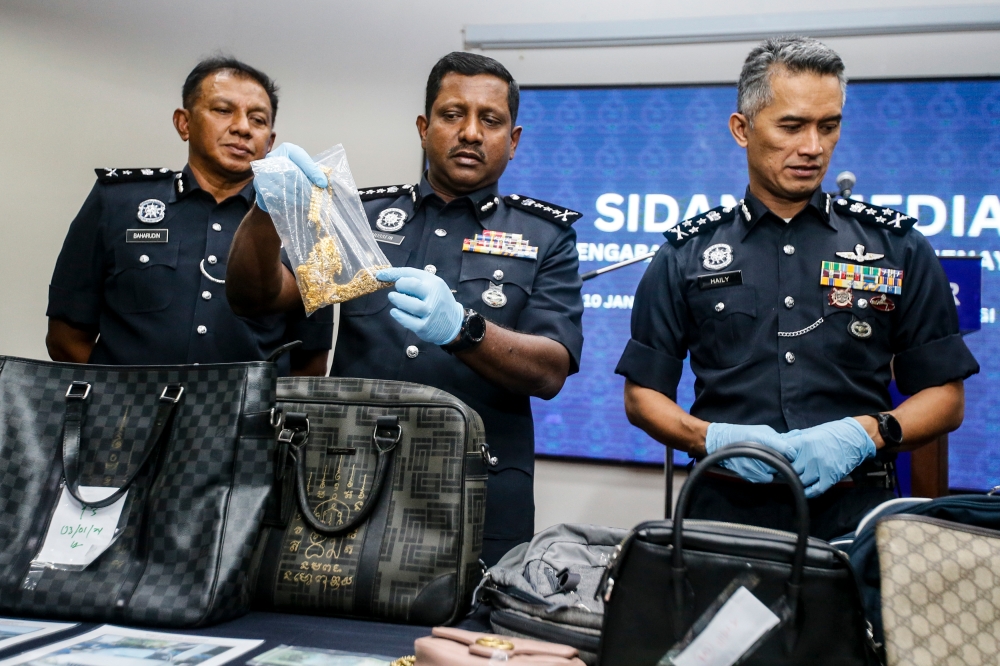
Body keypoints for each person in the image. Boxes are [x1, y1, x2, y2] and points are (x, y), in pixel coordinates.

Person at [226, 52, 585, 564]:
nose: (470, 132)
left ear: (514, 140)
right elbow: (257, 297)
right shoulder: (359, 217)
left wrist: (463, 329)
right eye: (452, 114)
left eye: (490, 120)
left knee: (466, 638)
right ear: (423, 127)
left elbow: (550, 370)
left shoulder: (545, 236)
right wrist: (267, 213)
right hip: (347, 482)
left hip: (477, 489)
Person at [617, 37, 980, 539]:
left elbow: (945, 397)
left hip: (859, 514)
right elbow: (642, 396)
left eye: (827, 127)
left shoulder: (898, 246)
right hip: (722, 509)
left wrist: (866, 433)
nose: (812, 147)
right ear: (742, 129)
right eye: (791, 126)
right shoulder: (687, 253)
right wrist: (712, 437)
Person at [46, 56, 333, 376]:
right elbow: (65, 339)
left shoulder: (303, 223)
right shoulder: (117, 202)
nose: (242, 128)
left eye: (258, 120)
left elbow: (310, 364)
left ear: (270, 143)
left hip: (246, 423)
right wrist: (128, 404)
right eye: (223, 110)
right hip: (126, 420)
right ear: (184, 123)